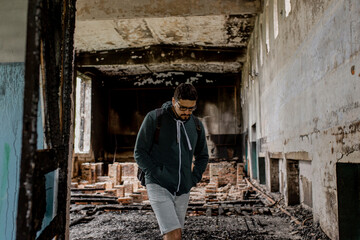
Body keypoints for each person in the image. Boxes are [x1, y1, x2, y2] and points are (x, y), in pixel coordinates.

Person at [134, 83, 209, 240]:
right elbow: (139, 152)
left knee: (175, 233)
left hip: (183, 189)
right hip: (158, 184)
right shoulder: (155, 118)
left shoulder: (196, 125)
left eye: (191, 108)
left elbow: (203, 156)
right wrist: (157, 173)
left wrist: (193, 178)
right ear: (174, 100)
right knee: (173, 233)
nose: (187, 112)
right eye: (183, 108)